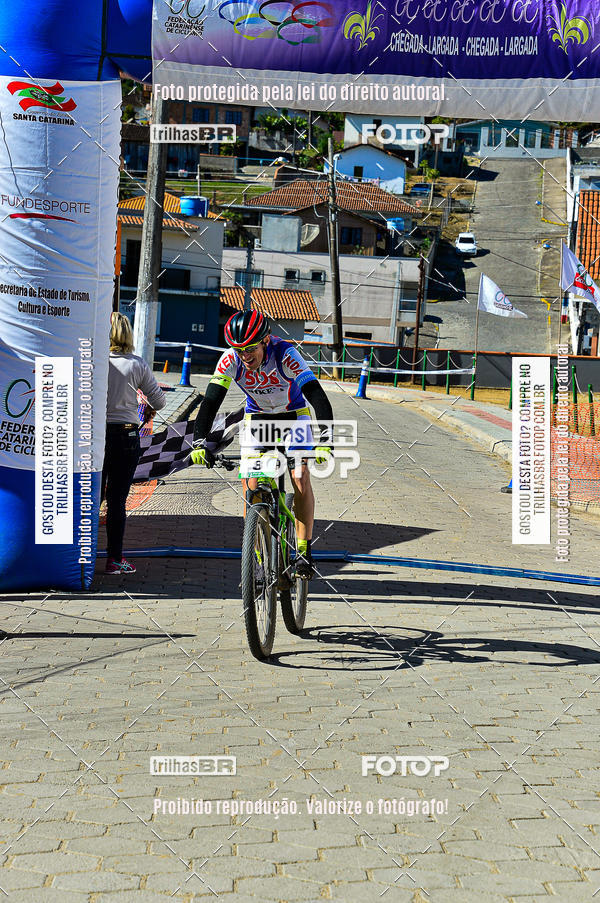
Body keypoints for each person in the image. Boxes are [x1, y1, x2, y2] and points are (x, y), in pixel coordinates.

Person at [190, 310, 333, 577]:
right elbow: (210, 401)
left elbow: (317, 395)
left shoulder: (286, 354)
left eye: (250, 349)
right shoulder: (230, 359)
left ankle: (303, 550)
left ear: (265, 340)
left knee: (300, 476)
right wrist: (199, 441)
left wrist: (326, 441)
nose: (245, 356)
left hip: (294, 415)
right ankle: (256, 556)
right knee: (252, 485)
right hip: (257, 418)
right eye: (239, 350)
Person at [102, 312, 166, 575]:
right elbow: (160, 401)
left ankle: (76, 558)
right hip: (126, 436)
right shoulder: (137, 365)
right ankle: (114, 560)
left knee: (88, 497)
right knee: (117, 500)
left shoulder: (94, 361)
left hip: (94, 436)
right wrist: (148, 407)